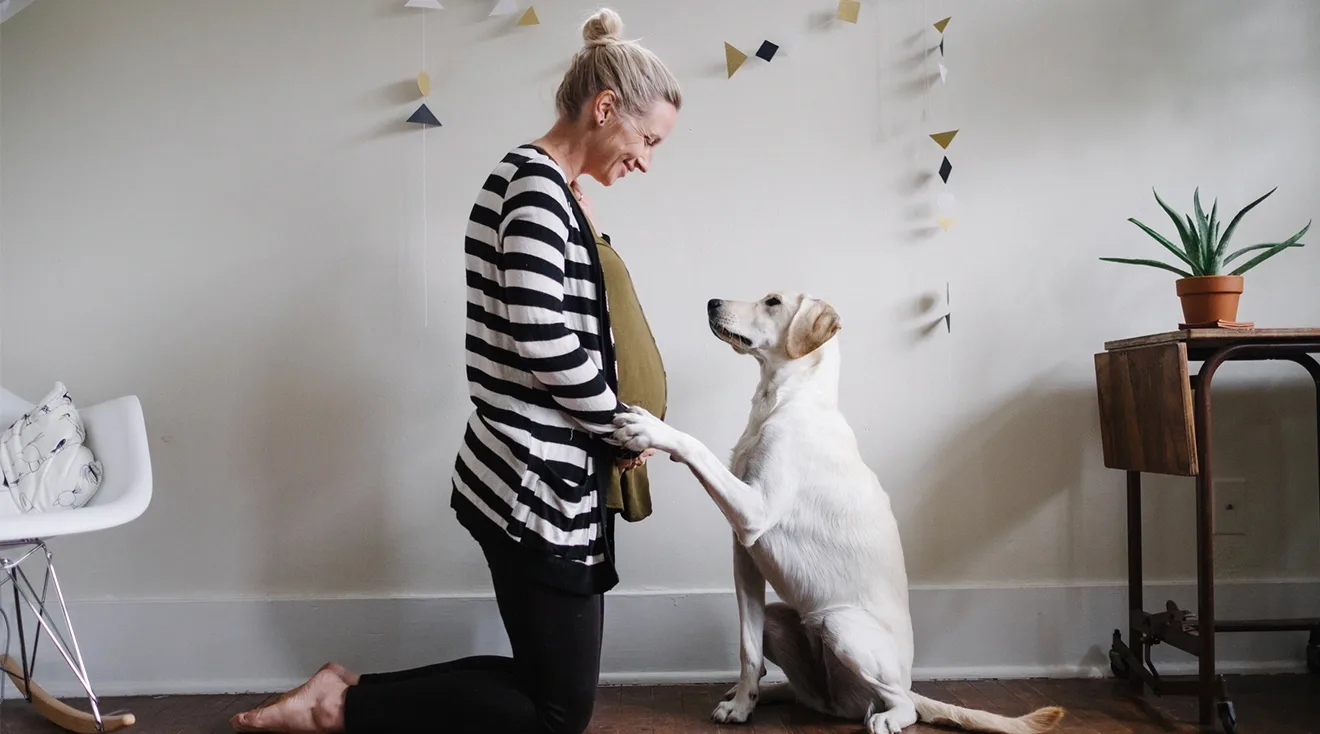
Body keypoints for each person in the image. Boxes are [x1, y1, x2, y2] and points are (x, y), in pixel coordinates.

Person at [230, 7, 680, 734]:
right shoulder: (535, 188)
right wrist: (620, 426)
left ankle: (342, 693)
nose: (647, 160)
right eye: (647, 139)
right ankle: (339, 708)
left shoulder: (551, 189)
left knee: (547, 687)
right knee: (557, 712)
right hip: (533, 480)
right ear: (604, 109)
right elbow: (545, 338)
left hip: (545, 476)